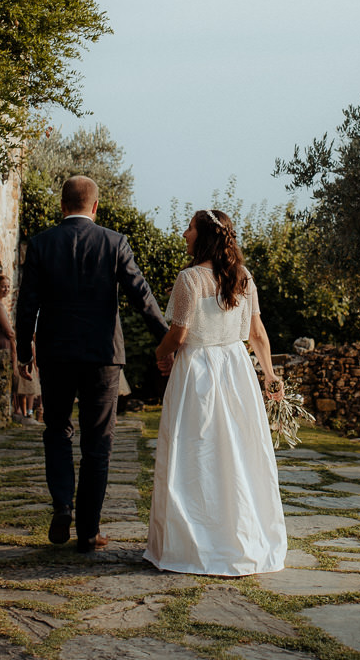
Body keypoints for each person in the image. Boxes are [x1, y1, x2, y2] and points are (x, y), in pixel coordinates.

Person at [16, 175, 170, 552]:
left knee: (56, 430)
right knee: (98, 444)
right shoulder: (115, 243)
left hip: (55, 355)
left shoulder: (40, 244)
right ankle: (88, 530)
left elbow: (26, 305)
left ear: (62, 205)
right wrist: (167, 343)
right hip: (103, 358)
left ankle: (61, 506)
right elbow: (142, 297)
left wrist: (24, 353)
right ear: (96, 206)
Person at [145, 208, 287, 575]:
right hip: (237, 372)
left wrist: (160, 355)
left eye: (189, 228)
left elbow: (178, 334)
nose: (184, 234)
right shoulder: (243, 277)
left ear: (203, 235)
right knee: (237, 454)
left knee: (195, 454)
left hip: (197, 375)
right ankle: (237, 536)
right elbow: (257, 333)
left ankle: (195, 542)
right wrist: (269, 374)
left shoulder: (189, 279)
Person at [0, 275, 39, 422]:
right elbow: (8, 331)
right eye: (3, 286)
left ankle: (18, 411)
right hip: (1, 343)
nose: (6, 289)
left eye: (8, 286)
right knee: (12, 377)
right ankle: (18, 411)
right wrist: (16, 343)